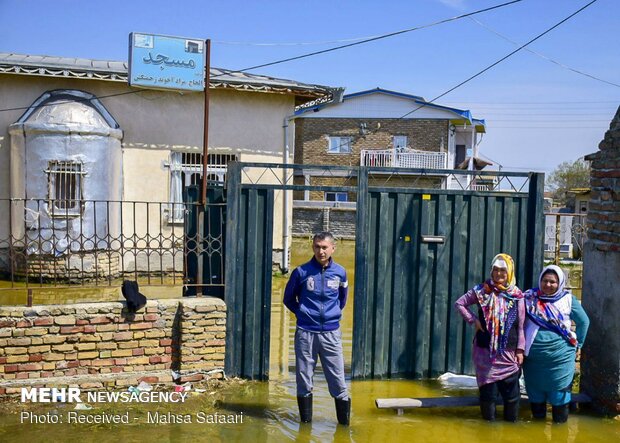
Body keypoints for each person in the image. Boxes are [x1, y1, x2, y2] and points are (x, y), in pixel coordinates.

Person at [283, 231, 351, 425]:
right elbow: (288, 299)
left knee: (338, 381)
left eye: (324, 247)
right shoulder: (301, 272)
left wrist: (333, 313)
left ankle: (344, 427)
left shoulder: (340, 272)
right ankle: (305, 427)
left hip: (331, 333)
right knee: (304, 380)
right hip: (306, 333)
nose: (321, 251)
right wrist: (302, 313)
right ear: (312, 247)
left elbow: (342, 299)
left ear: (332, 248)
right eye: (317, 247)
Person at [455, 253, 525, 422]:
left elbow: (521, 326)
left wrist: (520, 350)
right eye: (495, 270)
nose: (499, 274)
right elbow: (460, 303)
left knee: (512, 397)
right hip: (485, 354)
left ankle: (510, 430)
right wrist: (474, 320)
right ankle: (488, 430)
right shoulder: (481, 291)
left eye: (503, 270)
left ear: (509, 272)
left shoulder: (517, 296)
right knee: (488, 396)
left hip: (509, 355)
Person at [523, 265, 590, 423]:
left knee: (559, 397)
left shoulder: (568, 299)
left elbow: (584, 322)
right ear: (540, 281)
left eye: (552, 282)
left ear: (559, 283)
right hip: (534, 362)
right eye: (545, 281)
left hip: (560, 361)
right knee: (535, 397)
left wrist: (578, 344)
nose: (548, 285)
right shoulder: (529, 298)